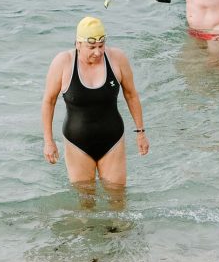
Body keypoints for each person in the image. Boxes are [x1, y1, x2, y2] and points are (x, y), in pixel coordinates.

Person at [41, 17, 149, 187]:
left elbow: (131, 95)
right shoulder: (63, 62)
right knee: (85, 203)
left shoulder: (117, 59)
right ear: (78, 44)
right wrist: (48, 141)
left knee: (118, 199)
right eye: (91, 47)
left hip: (113, 139)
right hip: (77, 143)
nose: (98, 52)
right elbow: (49, 101)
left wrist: (141, 132)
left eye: (101, 46)